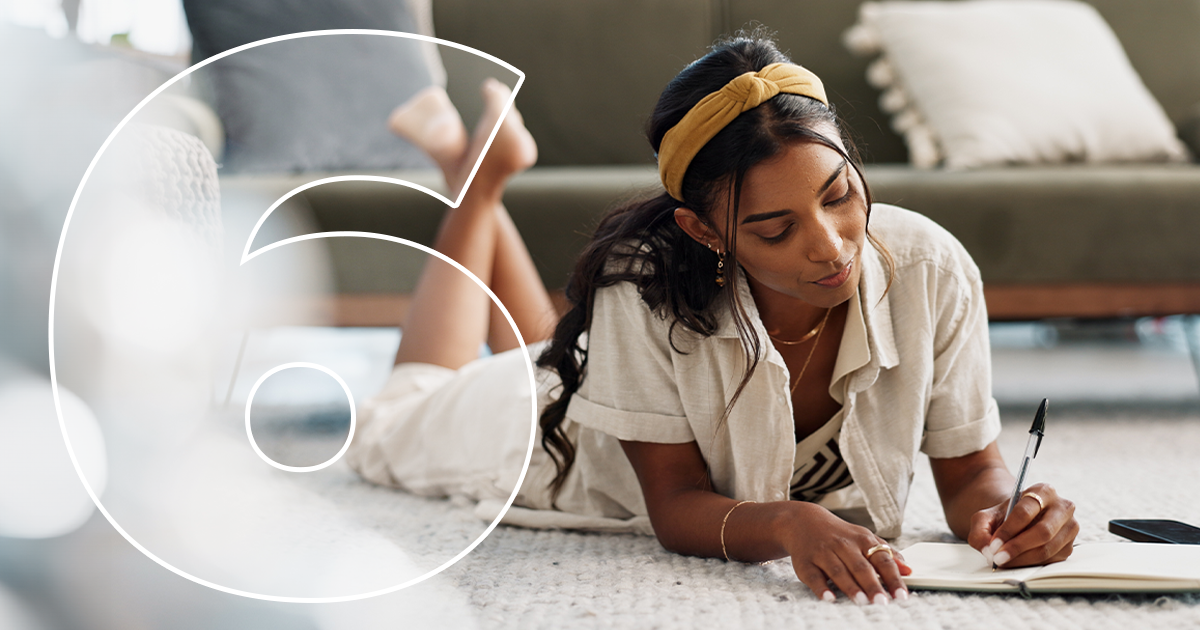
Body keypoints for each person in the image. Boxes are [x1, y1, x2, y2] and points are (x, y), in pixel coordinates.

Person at [348, 35, 1079, 605]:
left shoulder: (931, 268)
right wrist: (787, 523)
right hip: (545, 438)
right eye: (773, 230)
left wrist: (1010, 515)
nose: (832, 248)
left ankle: (472, 168)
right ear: (704, 232)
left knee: (555, 342)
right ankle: (474, 183)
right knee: (392, 415)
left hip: (600, 367)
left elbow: (971, 473)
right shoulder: (641, 287)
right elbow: (672, 504)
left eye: (839, 195)